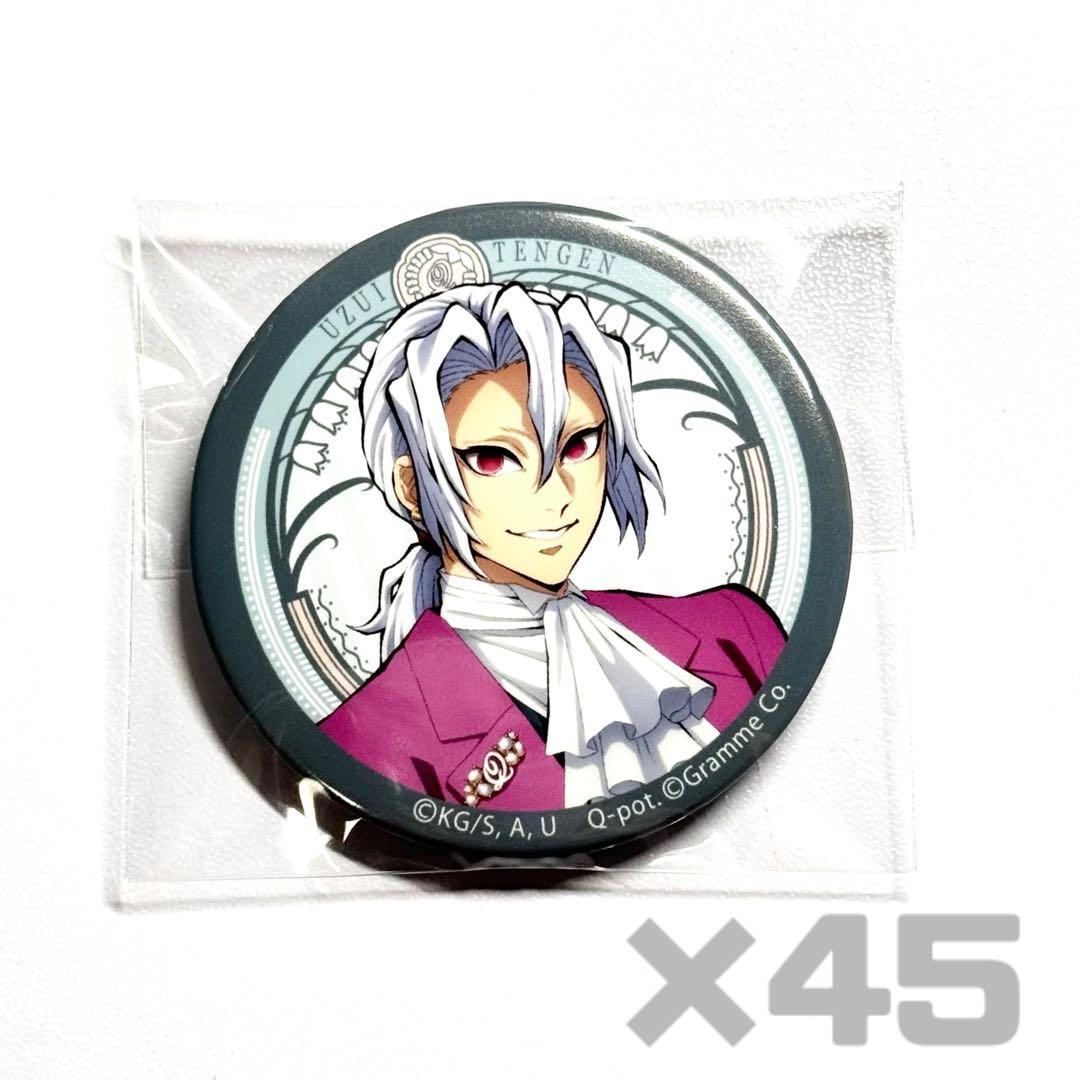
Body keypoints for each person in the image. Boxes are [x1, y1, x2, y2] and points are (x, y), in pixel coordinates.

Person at [318, 282, 786, 810]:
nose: (556, 495)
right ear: (412, 490)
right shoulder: (365, 741)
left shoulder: (735, 629)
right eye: (494, 459)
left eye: (578, 445)